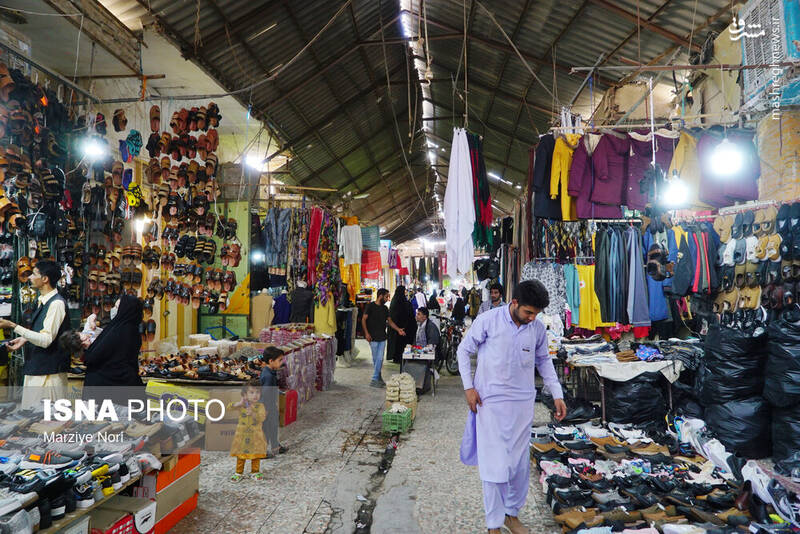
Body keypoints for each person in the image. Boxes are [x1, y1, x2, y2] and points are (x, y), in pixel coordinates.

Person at [457, 280, 567, 534]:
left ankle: (511, 514)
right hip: (490, 403)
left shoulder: (537, 328)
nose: (532, 318)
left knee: (518, 466)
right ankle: (493, 524)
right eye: (529, 312)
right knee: (495, 464)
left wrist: (557, 393)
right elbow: (464, 351)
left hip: (522, 404)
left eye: (536, 314)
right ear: (514, 303)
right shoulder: (488, 321)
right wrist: (468, 388)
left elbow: (544, 361)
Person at [0, 260, 70, 409]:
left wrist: (13, 326)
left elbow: (46, 340)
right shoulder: (43, 301)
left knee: (47, 424)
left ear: (45, 279)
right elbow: (44, 333)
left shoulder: (56, 304)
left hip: (48, 376)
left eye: (34, 274)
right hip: (39, 370)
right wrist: (25, 339)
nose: (30, 277)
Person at [60, 296, 144, 405]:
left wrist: (88, 354)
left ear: (125, 309)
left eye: (118, 307)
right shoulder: (129, 329)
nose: (114, 309)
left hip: (107, 388)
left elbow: (95, 355)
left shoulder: (120, 330)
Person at [229, 379, 267, 481]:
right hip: (242, 436)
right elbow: (229, 408)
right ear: (245, 394)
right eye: (251, 392)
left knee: (256, 455)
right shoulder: (241, 405)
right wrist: (238, 403)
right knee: (241, 455)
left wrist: (253, 414)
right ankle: (238, 472)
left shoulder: (260, 406)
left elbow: (262, 417)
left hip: (255, 436)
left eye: (257, 392)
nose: (255, 395)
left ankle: (255, 472)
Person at [361, 288, 398, 388]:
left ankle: (374, 379)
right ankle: (379, 378)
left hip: (382, 337)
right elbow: (363, 320)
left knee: (380, 359)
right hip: (372, 337)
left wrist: (398, 329)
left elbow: (390, 322)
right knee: (376, 359)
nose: (387, 298)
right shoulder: (370, 306)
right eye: (386, 296)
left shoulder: (385, 309)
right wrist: (366, 333)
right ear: (380, 296)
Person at [260, 347, 287, 457]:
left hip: (270, 406)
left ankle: (276, 446)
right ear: (271, 361)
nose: (281, 362)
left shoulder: (269, 372)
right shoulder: (268, 376)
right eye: (279, 360)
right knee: (266, 429)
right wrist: (266, 409)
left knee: (273, 427)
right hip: (267, 407)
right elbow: (266, 394)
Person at [386, 286, 412, 364]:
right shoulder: (401, 301)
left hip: (396, 327)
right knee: (399, 343)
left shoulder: (395, 300)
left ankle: (396, 357)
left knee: (397, 343)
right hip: (399, 327)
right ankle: (399, 357)